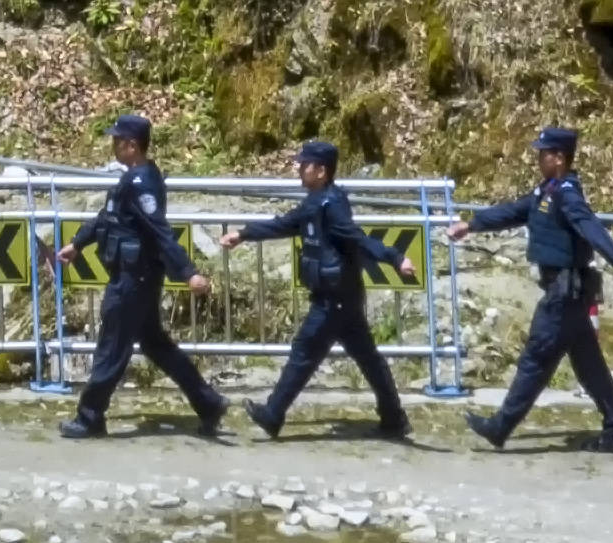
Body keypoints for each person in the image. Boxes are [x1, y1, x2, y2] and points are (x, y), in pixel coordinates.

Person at [461, 124, 613, 452]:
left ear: (559, 158)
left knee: (535, 360)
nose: (538, 159)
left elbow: (593, 229)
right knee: (590, 368)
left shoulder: (567, 195)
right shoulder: (546, 190)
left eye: (544, 154)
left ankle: (500, 427)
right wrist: (472, 224)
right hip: (569, 297)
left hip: (563, 295)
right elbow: (515, 212)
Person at [234, 137, 414, 440]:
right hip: (337, 296)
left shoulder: (332, 205)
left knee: (305, 352)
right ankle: (394, 418)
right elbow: (285, 224)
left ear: (322, 171)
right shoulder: (314, 202)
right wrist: (243, 234)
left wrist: (394, 257)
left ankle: (273, 413)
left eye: (305, 165)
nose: (299, 169)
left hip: (335, 298)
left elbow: (357, 237)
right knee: (367, 359)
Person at [60, 109, 226, 439]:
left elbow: (160, 231)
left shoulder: (143, 182)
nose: (113, 145)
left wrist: (188, 273)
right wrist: (78, 243)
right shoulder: (132, 179)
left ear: (132, 145)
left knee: (111, 348)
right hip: (134, 278)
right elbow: (107, 218)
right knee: (156, 345)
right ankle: (208, 403)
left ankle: (90, 416)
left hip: (132, 280)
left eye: (117, 141)